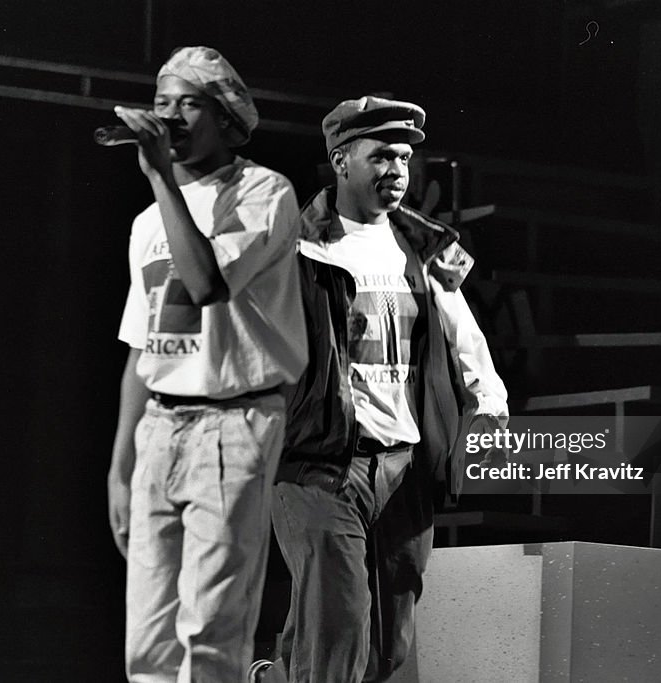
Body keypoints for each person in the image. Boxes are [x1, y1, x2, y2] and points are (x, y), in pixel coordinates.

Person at [251, 96, 508, 683]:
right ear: (341, 162)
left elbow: (464, 333)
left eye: (404, 158)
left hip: (402, 468)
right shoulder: (293, 245)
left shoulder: (425, 246)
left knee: (386, 648)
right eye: (381, 157)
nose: (396, 171)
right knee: (339, 627)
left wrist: (488, 404)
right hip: (316, 463)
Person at [106, 45, 307, 683]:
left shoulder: (264, 192)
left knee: (209, 628)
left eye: (188, 104)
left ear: (226, 118)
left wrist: (162, 175)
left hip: (234, 421)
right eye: (162, 103)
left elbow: (205, 286)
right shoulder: (147, 222)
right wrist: (120, 465)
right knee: (148, 638)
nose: (170, 117)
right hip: (159, 427)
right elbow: (142, 347)